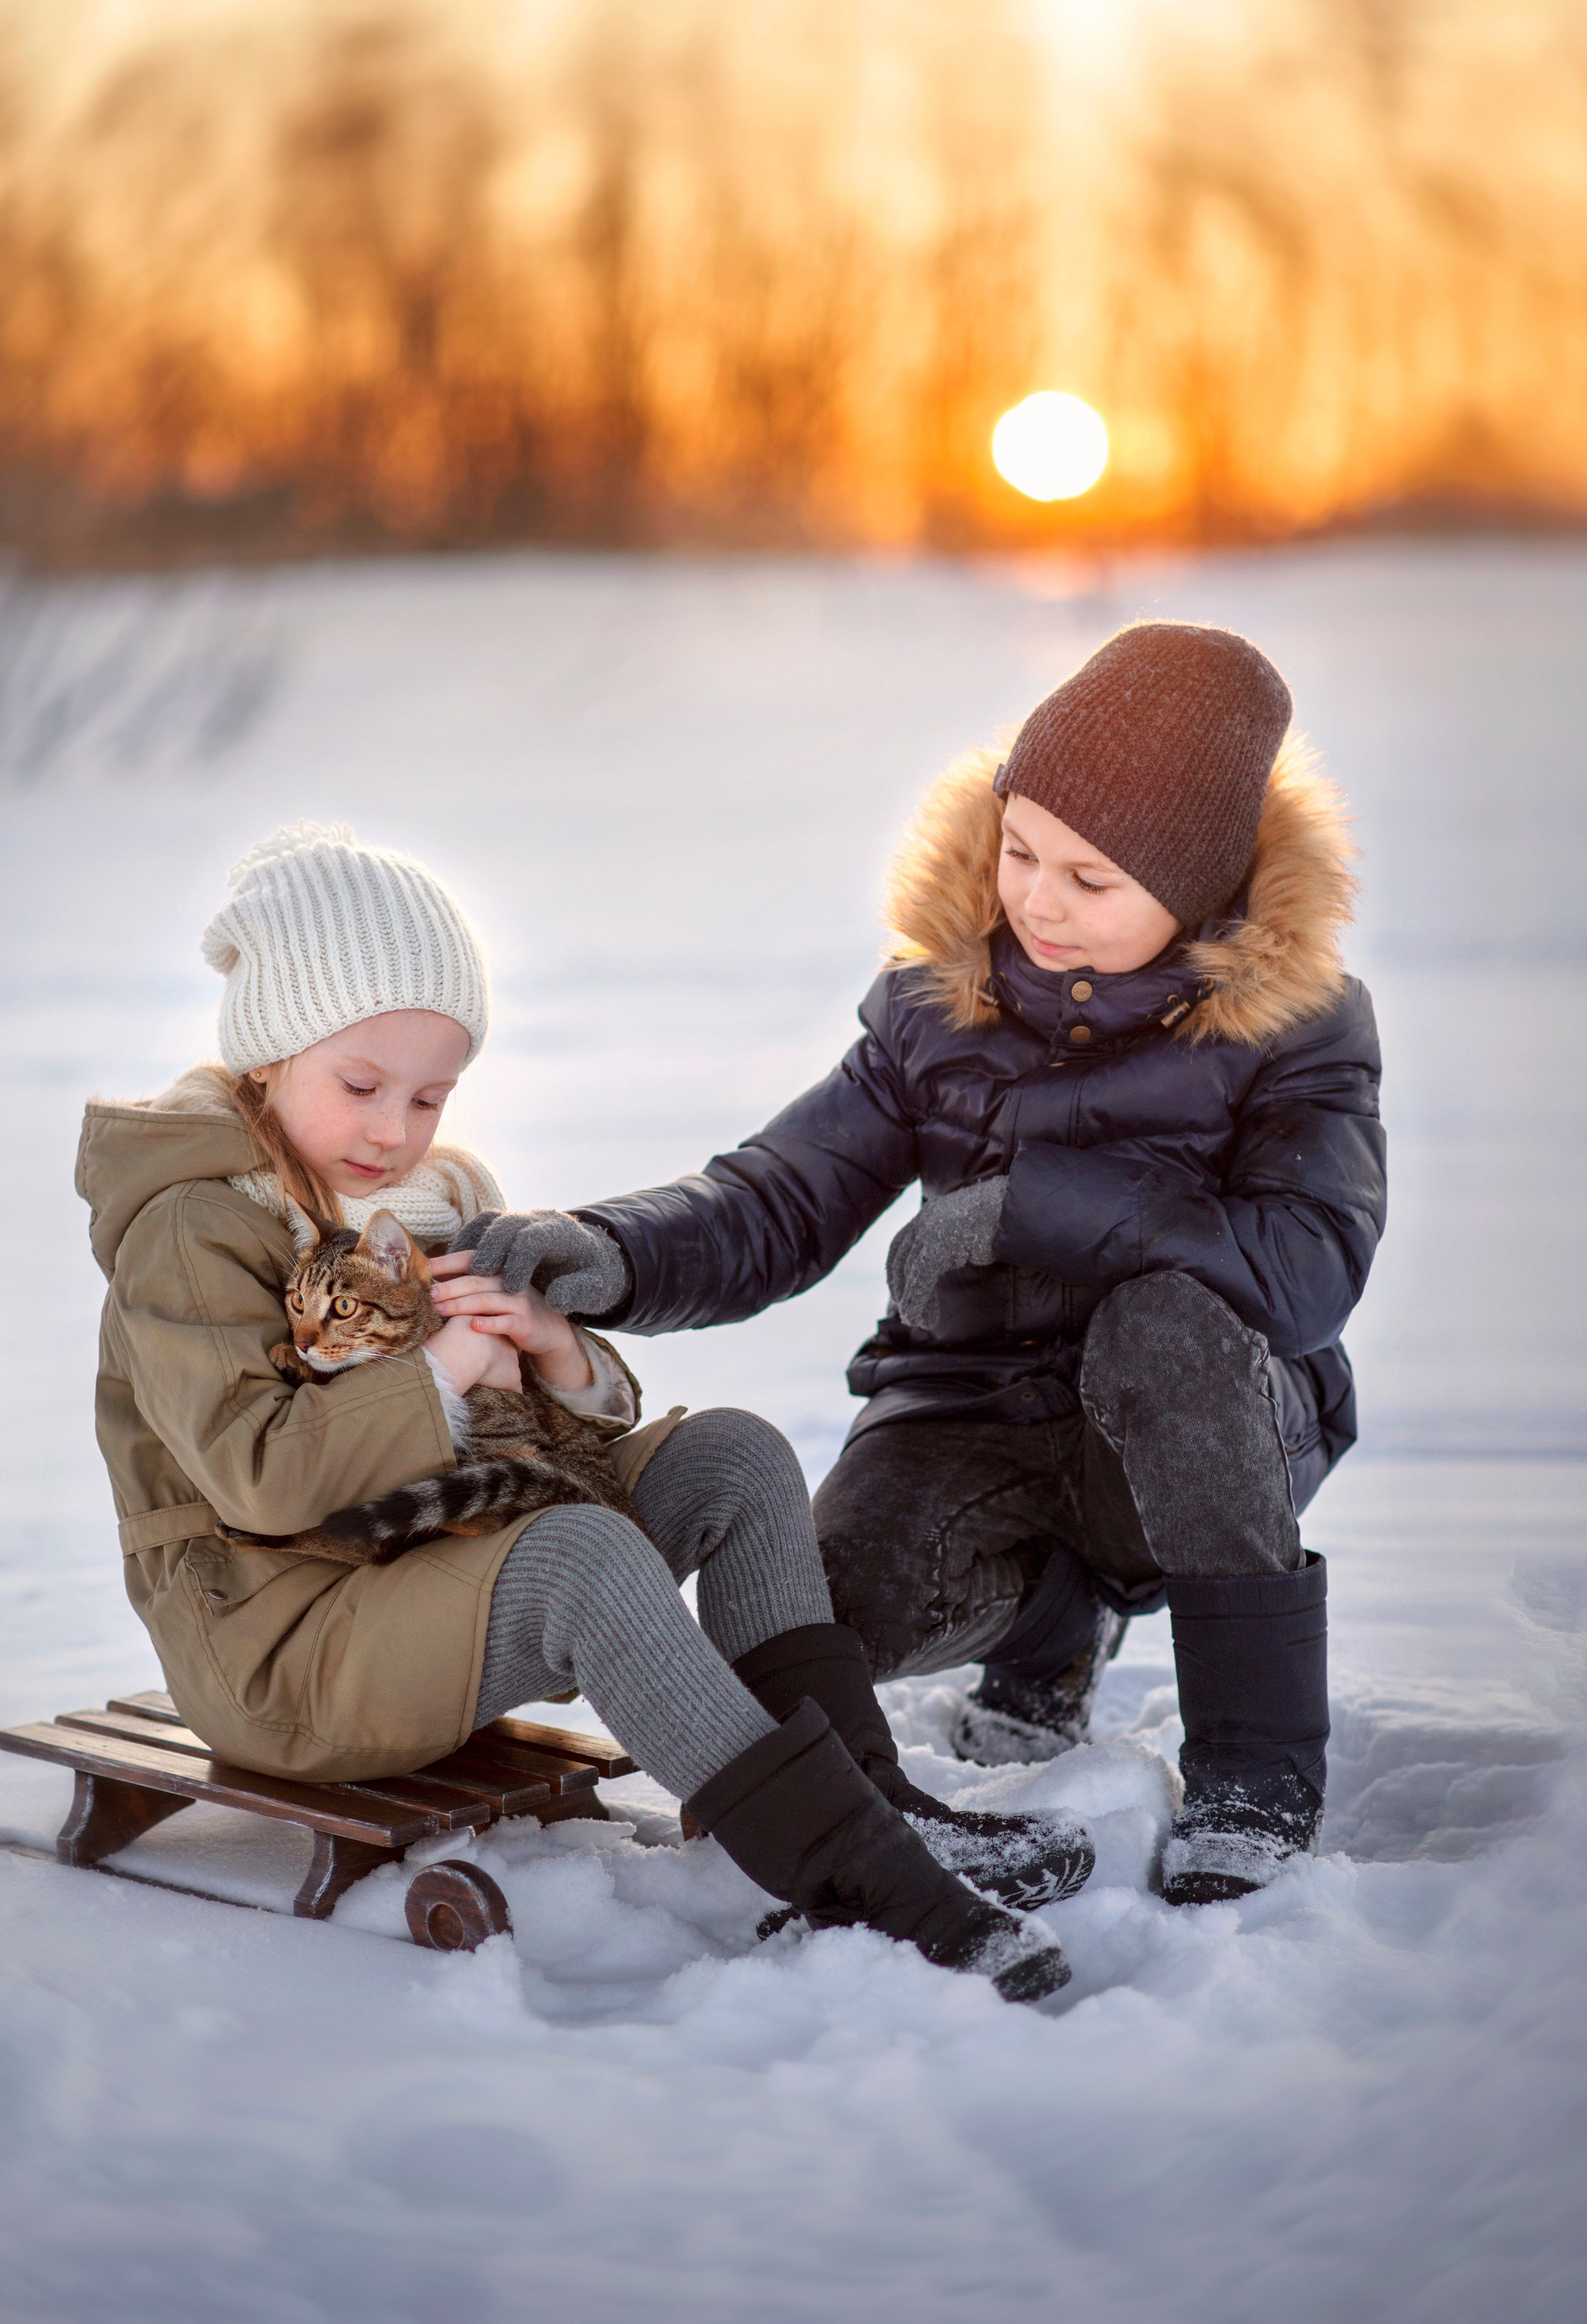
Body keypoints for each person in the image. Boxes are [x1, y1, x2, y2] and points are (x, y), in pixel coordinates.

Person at [76, 820, 1092, 2002]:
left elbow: (539, 1449)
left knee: (731, 1455)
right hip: (286, 1647)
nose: (393, 1129)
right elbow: (259, 1476)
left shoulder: (432, 1196)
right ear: (269, 1052)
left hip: (425, 1566)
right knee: (578, 1556)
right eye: (360, 1086)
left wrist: (556, 1351)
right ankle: (868, 1881)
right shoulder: (192, 1230)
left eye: (429, 1095)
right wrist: (446, 1366)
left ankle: (876, 1806)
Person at [460, 624, 1388, 1904]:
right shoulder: (935, 1006)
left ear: (1203, 885)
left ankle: (1255, 1768)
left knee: (1166, 1329)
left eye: (1091, 876)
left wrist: (1029, 1207)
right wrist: (608, 1249)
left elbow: (1308, 1268)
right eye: (1021, 849)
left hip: (1206, 1426)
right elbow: (779, 1196)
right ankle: (1046, 1634)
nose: (1039, 899)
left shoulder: (1297, 1027)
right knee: (816, 1616)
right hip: (969, 1416)